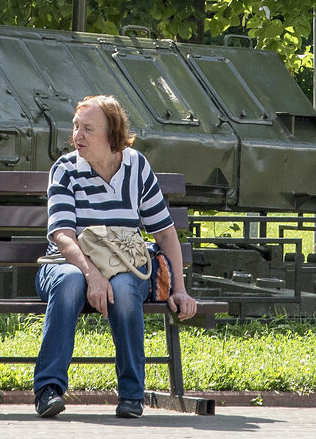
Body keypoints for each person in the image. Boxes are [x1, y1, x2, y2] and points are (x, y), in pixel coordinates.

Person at [33, 95, 197, 419]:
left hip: (124, 265)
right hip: (66, 264)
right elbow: (62, 235)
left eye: (88, 129)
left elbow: (164, 233)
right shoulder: (65, 169)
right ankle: (48, 390)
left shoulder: (137, 166)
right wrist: (92, 275)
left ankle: (132, 395)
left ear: (112, 134)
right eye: (76, 127)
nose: (77, 136)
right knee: (69, 282)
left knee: (124, 290)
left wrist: (180, 288)